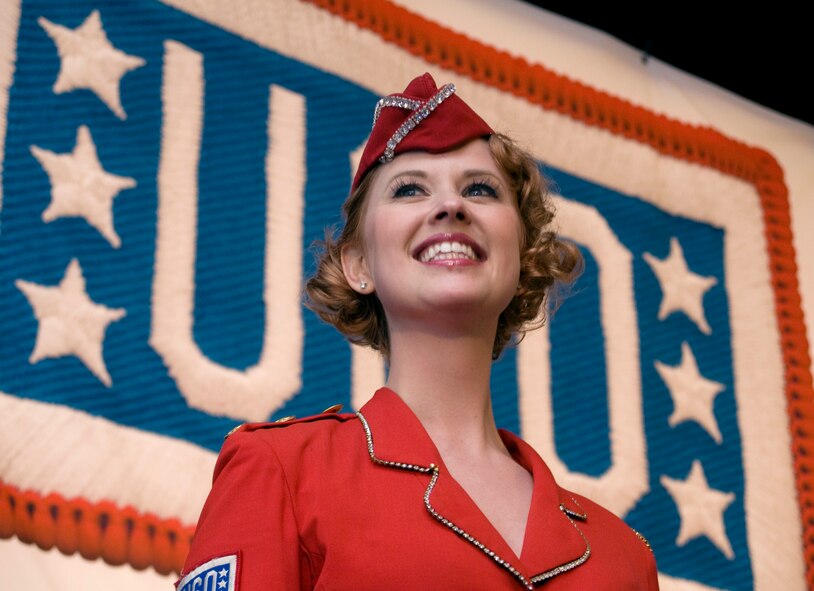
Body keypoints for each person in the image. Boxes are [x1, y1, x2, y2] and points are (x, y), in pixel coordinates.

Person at [176, 73, 660, 590]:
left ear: (522, 256)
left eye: (480, 189)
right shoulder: (284, 472)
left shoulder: (623, 557)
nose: (451, 206)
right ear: (359, 265)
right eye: (409, 189)